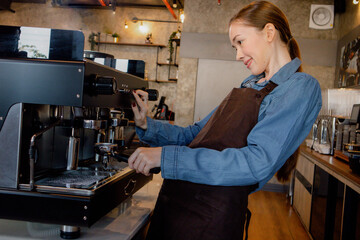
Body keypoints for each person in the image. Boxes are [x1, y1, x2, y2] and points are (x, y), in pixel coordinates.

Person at [128, 1, 322, 239]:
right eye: (235, 47)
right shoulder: (248, 85)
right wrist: (146, 124)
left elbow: (255, 163)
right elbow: (194, 135)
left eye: (240, 42)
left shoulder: (301, 87)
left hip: (211, 220)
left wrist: (165, 156)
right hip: (175, 205)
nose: (238, 55)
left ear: (269, 32)